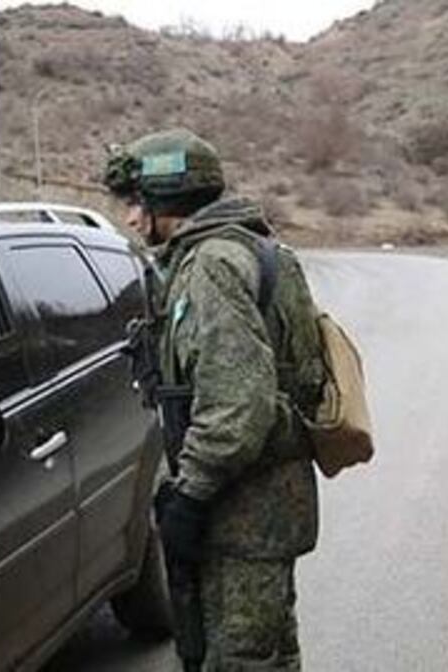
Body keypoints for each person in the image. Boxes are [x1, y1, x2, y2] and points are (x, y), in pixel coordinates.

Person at [103, 129, 327, 671]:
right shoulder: (244, 249)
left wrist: (192, 496)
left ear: (167, 199)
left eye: (138, 204)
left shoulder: (213, 266)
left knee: (240, 661)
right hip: (260, 504)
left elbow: (238, 404)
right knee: (269, 653)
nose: (131, 220)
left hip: (244, 510)